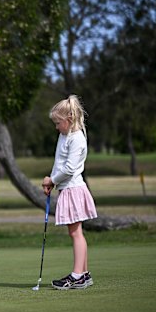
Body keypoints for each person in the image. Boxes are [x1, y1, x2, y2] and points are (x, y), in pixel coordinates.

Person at [42, 95, 98, 290]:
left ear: (70, 119)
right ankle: (84, 274)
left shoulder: (77, 138)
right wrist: (51, 179)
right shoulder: (64, 136)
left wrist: (52, 180)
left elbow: (69, 168)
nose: (56, 127)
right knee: (76, 232)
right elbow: (59, 163)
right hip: (66, 188)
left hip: (74, 189)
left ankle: (77, 276)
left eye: (58, 123)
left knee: (76, 233)